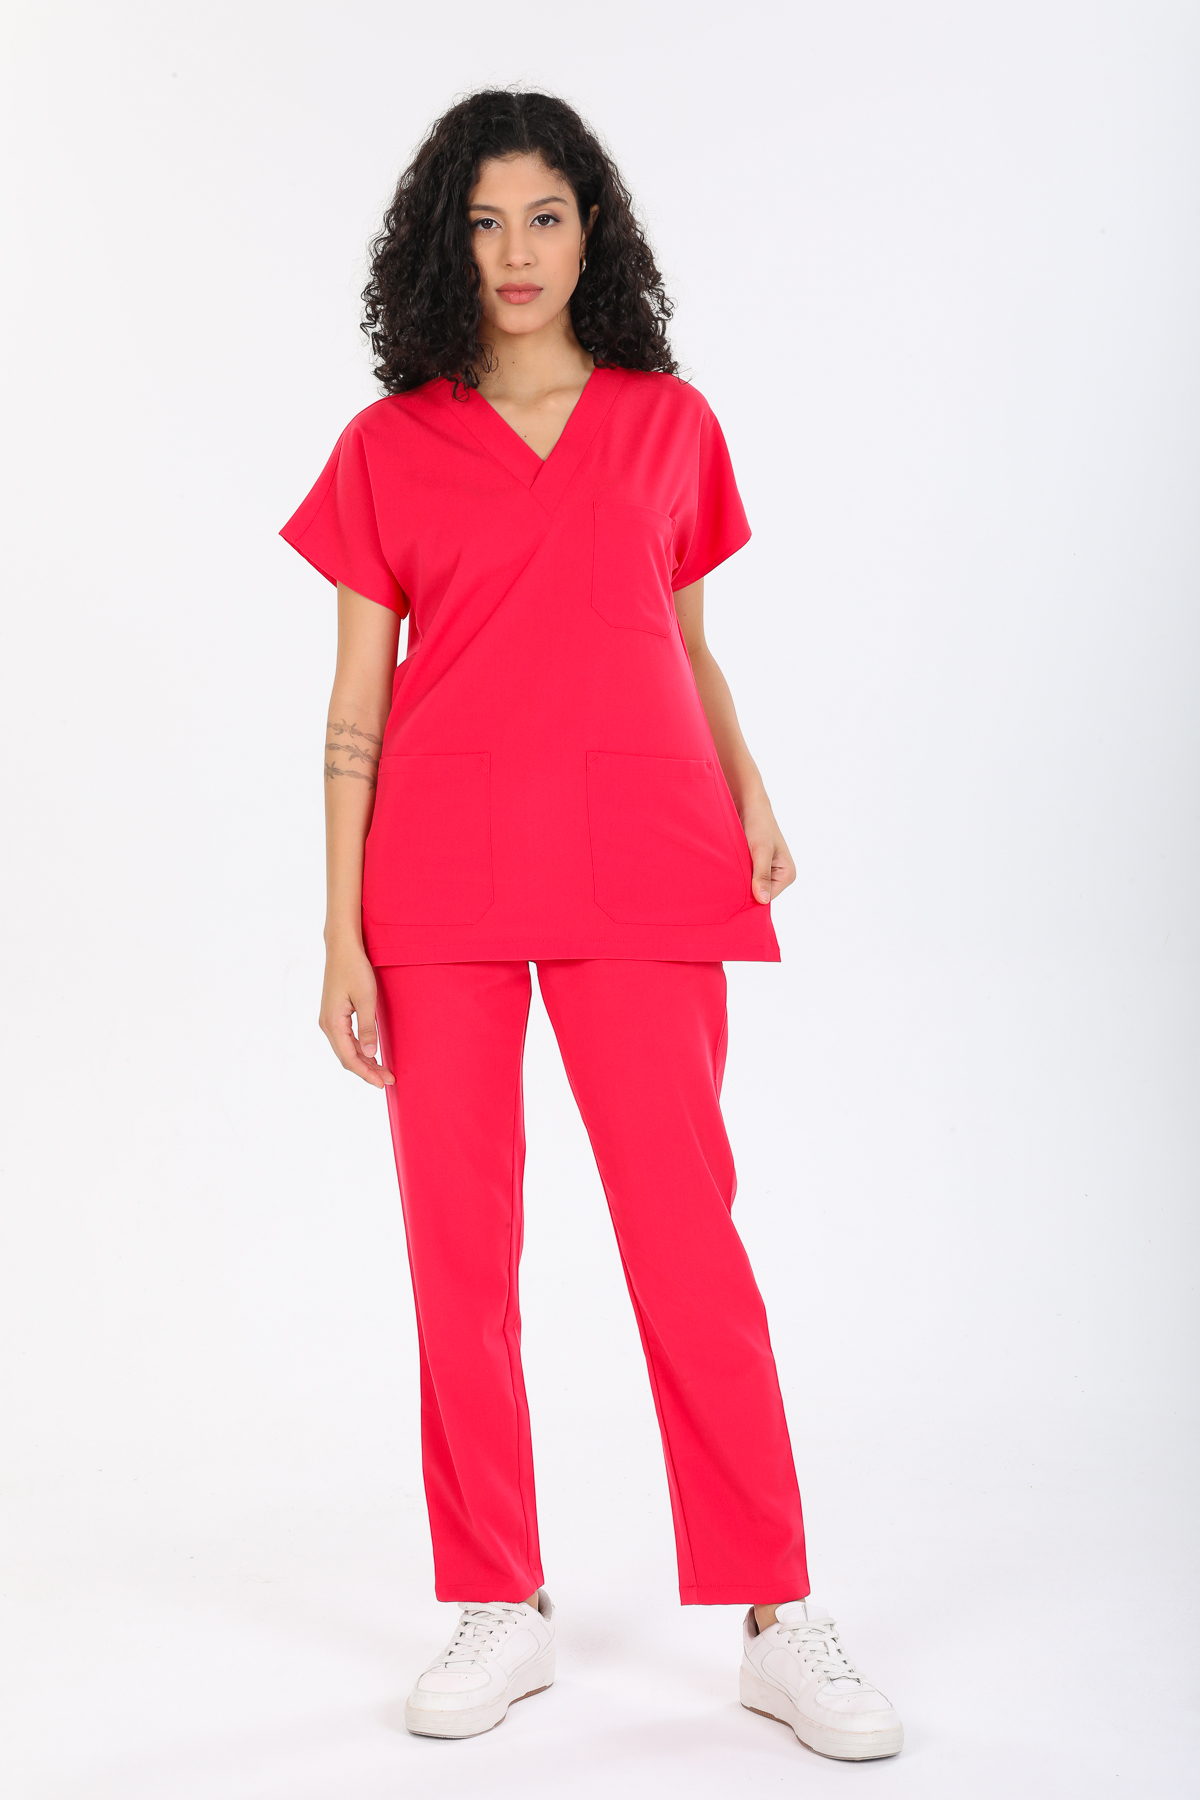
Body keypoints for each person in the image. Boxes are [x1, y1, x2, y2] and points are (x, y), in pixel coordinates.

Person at [280, 87, 903, 1760]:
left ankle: (777, 1609)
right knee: (458, 1251)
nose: (516, 252)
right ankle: (500, 1595)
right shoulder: (387, 448)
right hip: (439, 881)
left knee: (686, 1233)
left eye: (544, 217)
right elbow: (353, 715)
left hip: (647, 854)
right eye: (483, 221)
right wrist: (337, 934)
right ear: (443, 242)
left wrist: (751, 789)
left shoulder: (667, 424)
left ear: (592, 231)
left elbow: (683, 643)